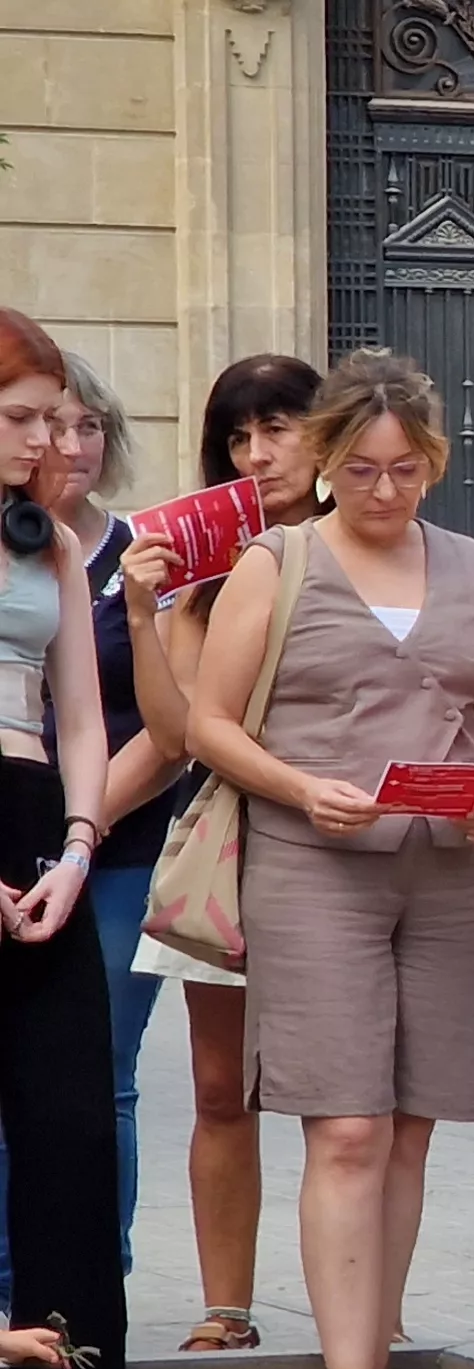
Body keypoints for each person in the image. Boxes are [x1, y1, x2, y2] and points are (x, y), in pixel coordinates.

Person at [180, 349, 474, 1369]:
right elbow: (212, 724)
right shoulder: (276, 565)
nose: (386, 492)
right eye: (365, 469)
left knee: (411, 1130)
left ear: (434, 462)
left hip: (441, 874)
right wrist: (298, 786)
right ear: (328, 461)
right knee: (345, 1128)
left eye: (408, 470)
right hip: (310, 865)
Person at [126, 354, 316, 1354]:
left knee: (350, 1096)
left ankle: (362, 1311)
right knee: (218, 1086)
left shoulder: (368, 548)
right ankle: (226, 1308)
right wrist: (144, 615)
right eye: (239, 437)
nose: (258, 453)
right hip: (230, 844)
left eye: (279, 427)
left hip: (340, 846)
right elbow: (177, 734)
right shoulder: (203, 582)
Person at [0, 306, 126, 1369]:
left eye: (60, 420)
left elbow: (80, 717)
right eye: (24, 417)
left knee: (73, 1117)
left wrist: (80, 849)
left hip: (40, 817)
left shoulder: (57, 542)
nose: (48, 442)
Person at [50, 356, 174, 1270]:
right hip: (16, 842)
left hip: (124, 850)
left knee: (105, 1071)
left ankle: (100, 1279)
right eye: (56, 424)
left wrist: (80, 828)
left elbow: (172, 727)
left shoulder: (144, 553)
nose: (75, 444)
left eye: (93, 426)